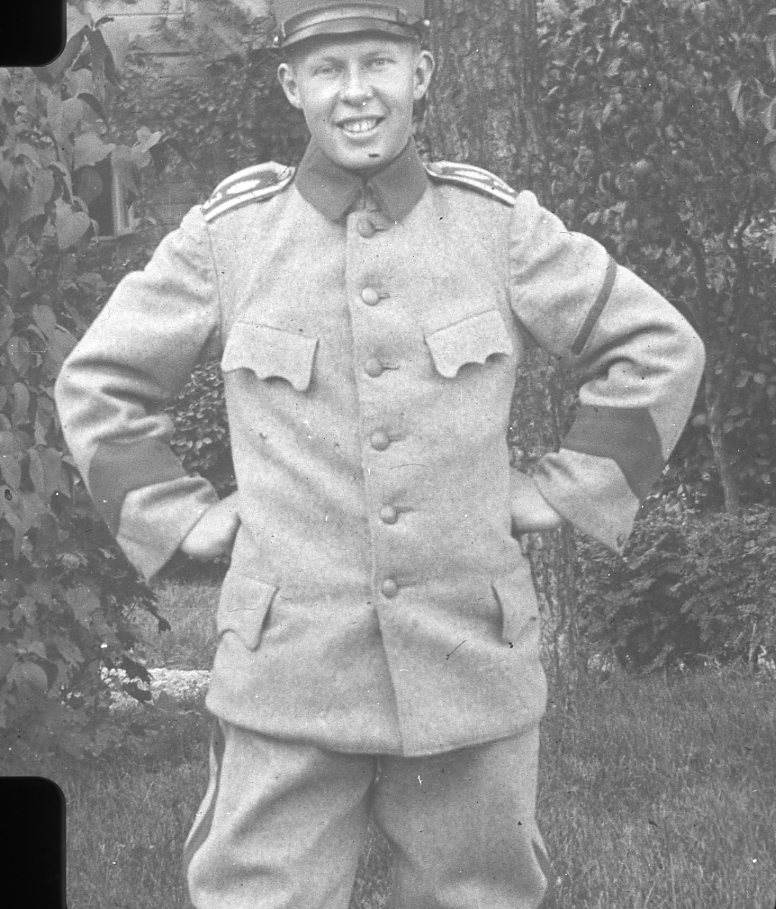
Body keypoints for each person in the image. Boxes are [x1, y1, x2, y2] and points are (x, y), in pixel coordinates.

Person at [55, 2, 705, 906]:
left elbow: (657, 347)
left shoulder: (496, 227)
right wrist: (180, 516)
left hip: (466, 653)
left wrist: (567, 488)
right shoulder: (229, 237)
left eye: (378, 63)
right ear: (291, 85)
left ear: (420, 75)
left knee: (478, 896)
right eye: (328, 69)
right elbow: (99, 380)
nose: (355, 92)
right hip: (289, 665)